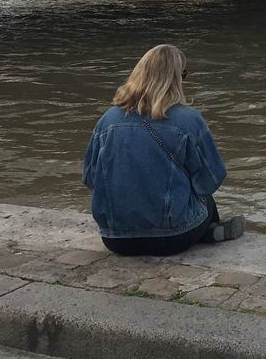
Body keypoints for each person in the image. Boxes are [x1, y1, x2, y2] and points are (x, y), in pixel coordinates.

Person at [83, 44, 244, 256]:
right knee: (204, 200)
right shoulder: (188, 119)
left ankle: (206, 230)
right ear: (175, 79)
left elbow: (90, 178)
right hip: (173, 238)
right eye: (183, 74)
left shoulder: (107, 120)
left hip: (115, 239)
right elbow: (211, 179)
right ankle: (210, 231)